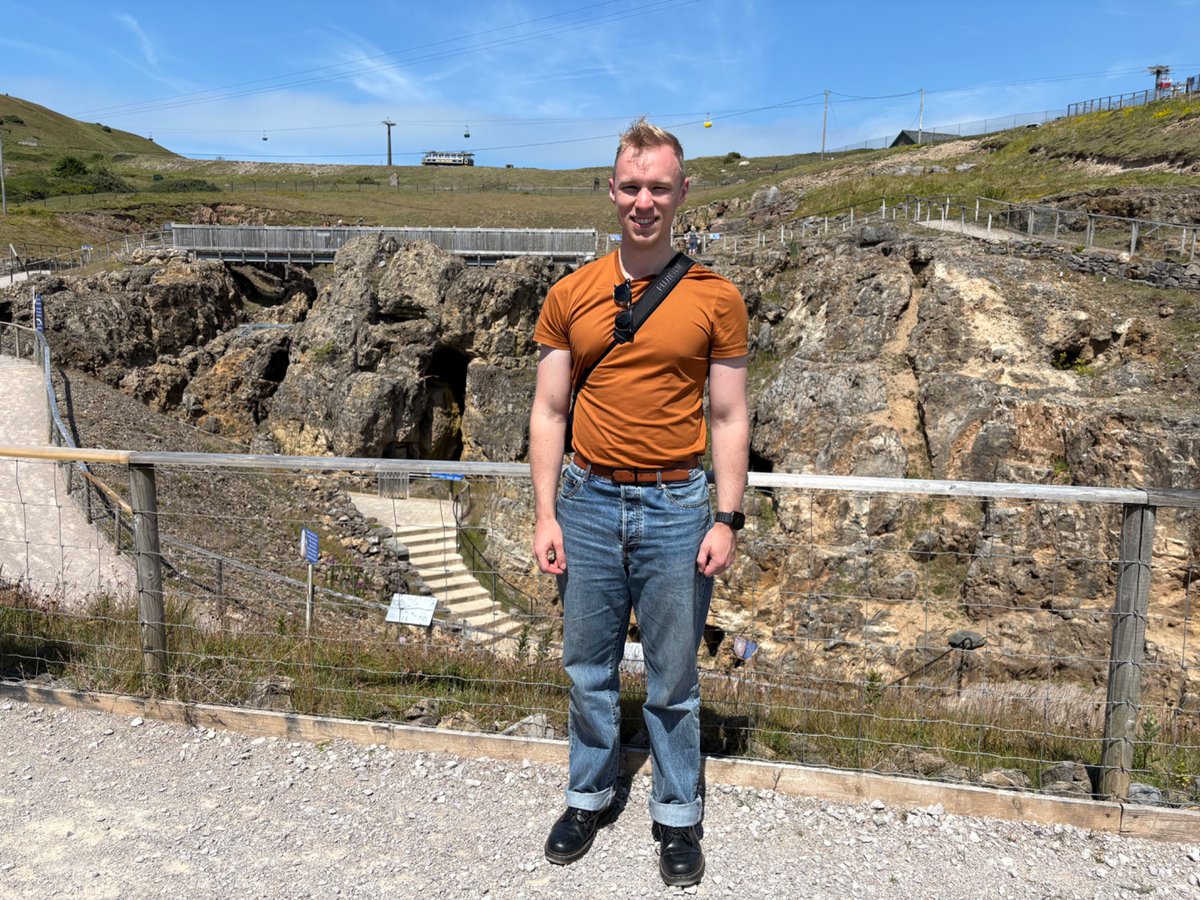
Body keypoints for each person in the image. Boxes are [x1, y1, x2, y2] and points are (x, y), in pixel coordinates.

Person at [529, 118, 749, 887]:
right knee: (586, 666)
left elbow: (728, 416)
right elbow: (549, 412)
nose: (644, 200)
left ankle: (678, 816)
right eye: (631, 186)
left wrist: (726, 516)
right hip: (587, 502)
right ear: (612, 191)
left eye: (659, 186)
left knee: (673, 678)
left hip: (677, 505)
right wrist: (547, 513)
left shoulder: (717, 298)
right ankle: (587, 795)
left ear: (682, 193)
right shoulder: (571, 293)